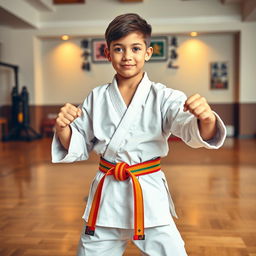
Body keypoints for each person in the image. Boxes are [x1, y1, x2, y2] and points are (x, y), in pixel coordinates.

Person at [52, 13, 226, 256]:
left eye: (135, 48)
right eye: (119, 49)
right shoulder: (97, 97)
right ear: (107, 53)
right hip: (106, 201)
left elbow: (189, 129)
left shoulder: (165, 97)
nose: (127, 57)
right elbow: (78, 143)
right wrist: (63, 129)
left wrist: (205, 119)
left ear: (148, 52)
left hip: (148, 196)